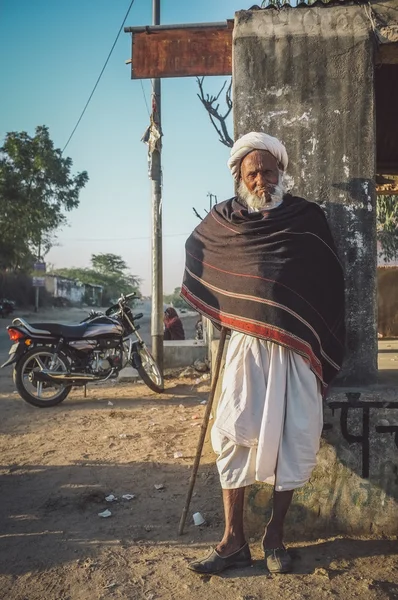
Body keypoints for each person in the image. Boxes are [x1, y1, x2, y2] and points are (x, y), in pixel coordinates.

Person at [181, 132, 345, 575]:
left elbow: (329, 281)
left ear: (281, 173)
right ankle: (233, 540)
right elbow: (196, 252)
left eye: (267, 171)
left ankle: (275, 536)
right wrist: (219, 306)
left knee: (293, 439)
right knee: (231, 436)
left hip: (297, 351)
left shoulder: (306, 218)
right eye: (251, 173)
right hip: (245, 348)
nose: (260, 180)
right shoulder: (224, 221)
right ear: (240, 176)